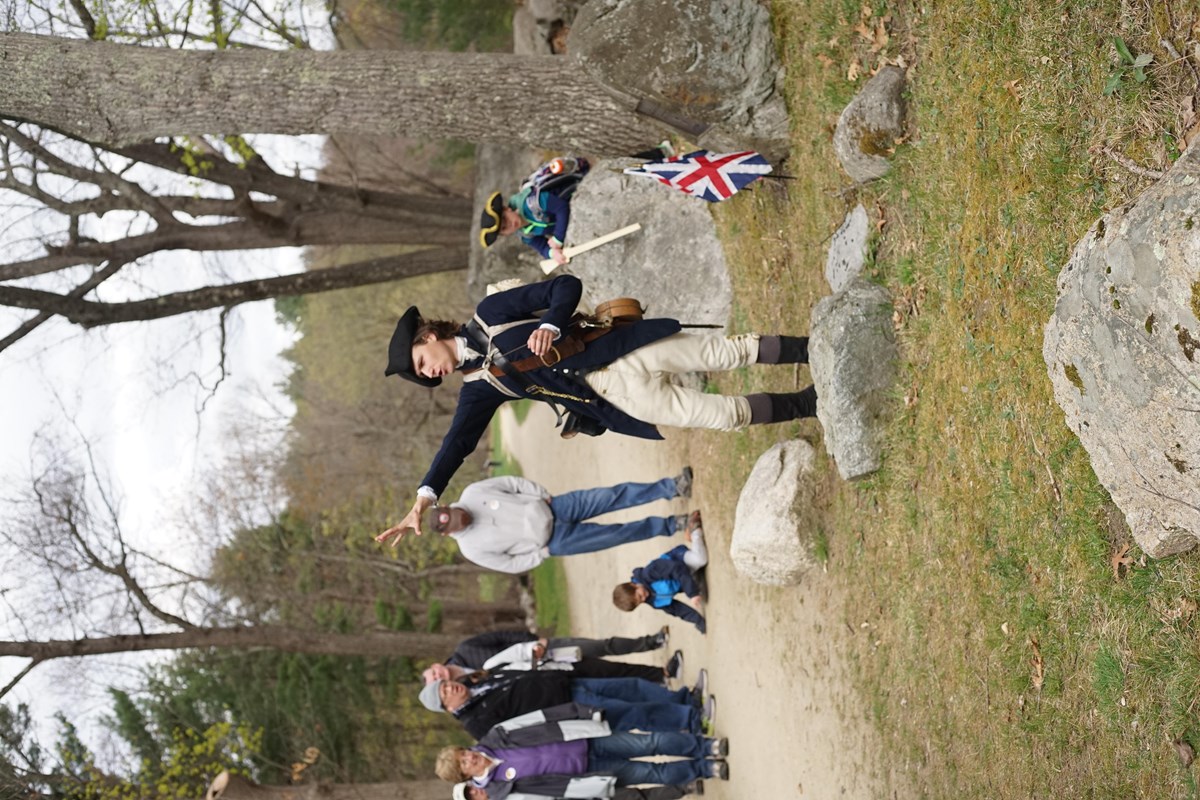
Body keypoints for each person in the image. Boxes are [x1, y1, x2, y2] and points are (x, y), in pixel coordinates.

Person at [378, 274, 816, 544]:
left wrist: (551, 322)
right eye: (423, 376)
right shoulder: (478, 390)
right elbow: (457, 444)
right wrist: (424, 496)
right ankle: (809, 402)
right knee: (724, 417)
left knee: (727, 352)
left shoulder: (491, 312)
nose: (430, 374)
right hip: (614, 398)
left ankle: (813, 349)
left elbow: (564, 286)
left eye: (422, 364)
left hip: (622, 349)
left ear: (427, 337)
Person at [419, 470, 694, 574]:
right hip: (555, 542)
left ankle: (672, 487)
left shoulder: (472, 493)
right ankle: (673, 525)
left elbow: (511, 483)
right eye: (459, 523)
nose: (463, 517)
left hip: (555, 507)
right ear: (449, 533)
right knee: (618, 534)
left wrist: (542, 496)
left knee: (613, 495)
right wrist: (542, 553)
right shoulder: (471, 549)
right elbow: (511, 565)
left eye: (458, 513)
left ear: (447, 506)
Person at [419, 668, 710, 741]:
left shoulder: (474, 683)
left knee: (630, 687)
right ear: (447, 708)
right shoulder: (477, 725)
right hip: (567, 706)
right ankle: (691, 720)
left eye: (445, 685)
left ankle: (683, 699)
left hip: (564, 682)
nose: (451, 687)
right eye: (445, 693)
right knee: (630, 712)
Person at [434, 724, 727, 796]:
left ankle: (706, 745)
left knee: (648, 741)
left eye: (463, 753)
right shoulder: (500, 791)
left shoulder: (495, 738)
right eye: (463, 764)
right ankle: (704, 768)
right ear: (465, 777)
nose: (469, 757)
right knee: (652, 772)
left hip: (584, 740)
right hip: (588, 772)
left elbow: (539, 723)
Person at [431, 627, 672, 679]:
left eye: (433, 672)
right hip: (550, 674)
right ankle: (659, 676)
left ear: (435, 665)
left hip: (547, 651)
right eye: (435, 681)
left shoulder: (465, 650)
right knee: (606, 672)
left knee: (601, 646)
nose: (438, 675)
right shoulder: (469, 686)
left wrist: (535, 641)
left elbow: (502, 636)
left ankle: (651, 641)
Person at [612, 513, 708, 634]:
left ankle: (694, 531)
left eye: (640, 596)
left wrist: (692, 593)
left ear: (633, 585)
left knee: (701, 560)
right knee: (703, 592)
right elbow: (677, 610)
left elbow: (677, 568)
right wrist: (698, 621)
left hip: (680, 560)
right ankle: (691, 547)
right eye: (640, 602)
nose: (644, 598)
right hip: (683, 578)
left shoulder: (649, 573)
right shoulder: (653, 601)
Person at [451, 780, 698, 800]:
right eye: (471, 798)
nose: (475, 794)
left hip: (573, 792)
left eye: (471, 790)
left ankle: (683, 788)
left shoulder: (504, 781)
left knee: (633, 796)